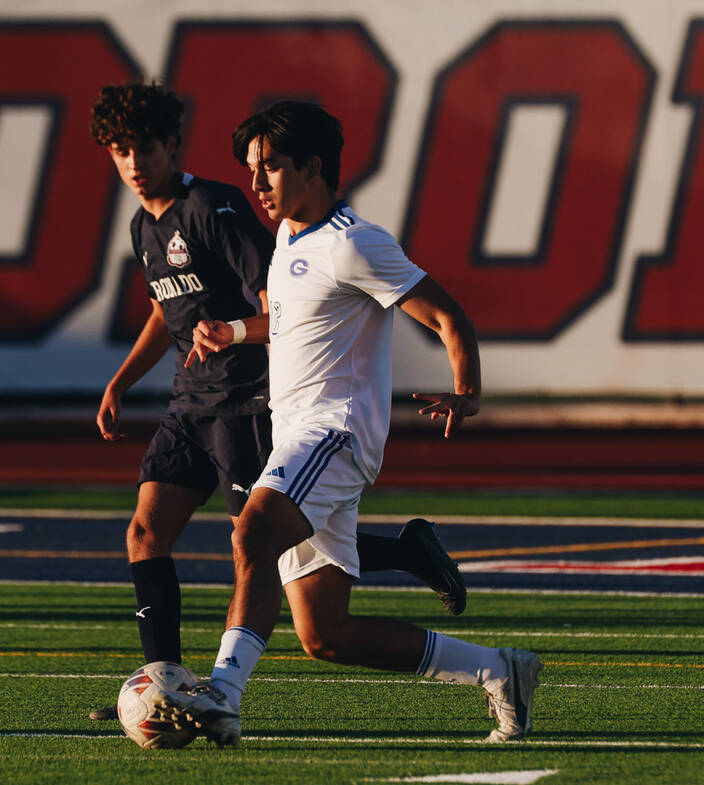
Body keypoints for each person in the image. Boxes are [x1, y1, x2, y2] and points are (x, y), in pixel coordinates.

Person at [157, 101, 541, 746]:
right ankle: (498, 668)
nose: (257, 184)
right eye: (252, 168)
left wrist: (465, 392)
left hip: (332, 434)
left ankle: (222, 693)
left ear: (311, 167)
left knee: (252, 531)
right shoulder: (286, 238)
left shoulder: (354, 242)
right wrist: (235, 332)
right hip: (300, 439)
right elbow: (289, 324)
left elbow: (450, 317)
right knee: (324, 635)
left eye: (271, 167)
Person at [88, 84, 465, 720]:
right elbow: (164, 307)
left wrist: (232, 332)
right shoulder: (142, 225)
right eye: (120, 150)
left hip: (246, 401)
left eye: (144, 147)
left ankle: (402, 553)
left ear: (171, 146)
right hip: (190, 402)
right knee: (146, 532)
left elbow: (278, 307)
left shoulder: (215, 207)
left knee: (263, 539)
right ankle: (165, 683)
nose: (133, 162)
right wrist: (121, 381)